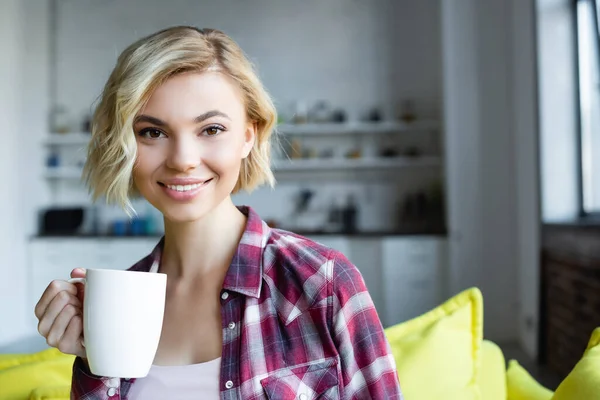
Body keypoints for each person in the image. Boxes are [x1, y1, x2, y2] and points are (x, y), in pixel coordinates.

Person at [34, 26, 403, 399]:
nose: (183, 160)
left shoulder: (323, 282)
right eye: (152, 132)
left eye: (211, 129)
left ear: (248, 136)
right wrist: (92, 357)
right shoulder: (115, 305)